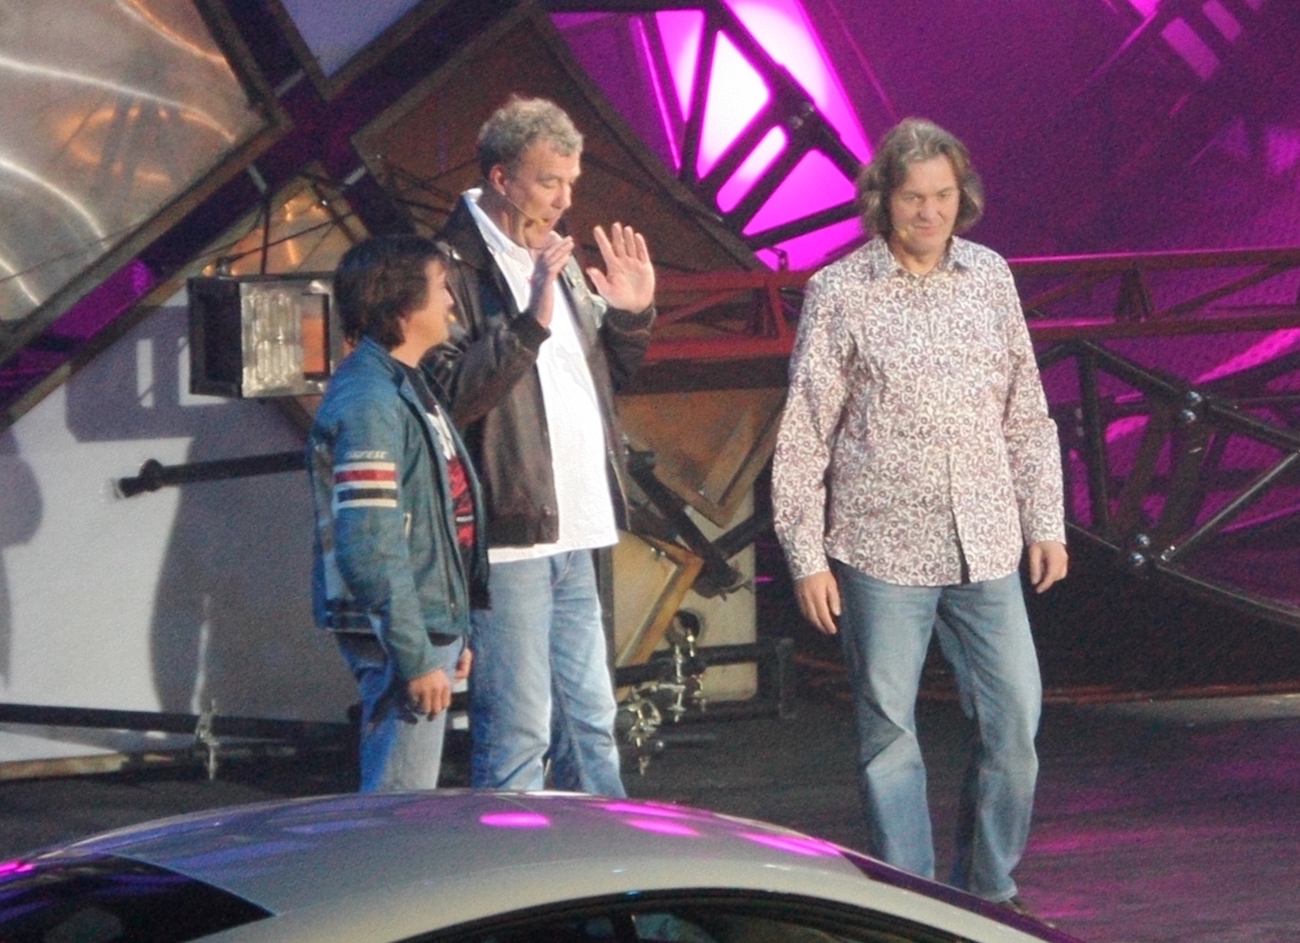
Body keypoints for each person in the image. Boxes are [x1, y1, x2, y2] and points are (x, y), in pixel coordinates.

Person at [771, 118, 1068, 911]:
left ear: (960, 197)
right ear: (883, 200)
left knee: (1015, 723)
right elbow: (804, 431)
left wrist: (1047, 520)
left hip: (986, 540)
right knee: (888, 734)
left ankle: (990, 890)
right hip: (879, 544)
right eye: (912, 198)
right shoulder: (841, 291)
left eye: (941, 197)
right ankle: (915, 901)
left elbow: (1025, 410)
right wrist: (805, 555)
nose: (928, 213)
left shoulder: (990, 276)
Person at [426, 96, 655, 796]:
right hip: (512, 529)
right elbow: (452, 393)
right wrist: (527, 321)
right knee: (520, 727)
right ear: (501, 178)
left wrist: (632, 315)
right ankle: (513, 881)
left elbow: (605, 377)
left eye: (571, 183)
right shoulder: (449, 265)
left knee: (591, 720)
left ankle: (615, 882)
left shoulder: (552, 254)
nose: (563, 199)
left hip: (576, 525)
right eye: (548, 181)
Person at [308, 234, 489, 792]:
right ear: (403, 307)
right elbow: (369, 544)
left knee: (405, 804)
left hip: (422, 622)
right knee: (399, 808)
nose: (452, 304)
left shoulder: (405, 383)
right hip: (402, 631)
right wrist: (415, 653)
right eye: (441, 291)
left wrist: (450, 629)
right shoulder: (369, 401)